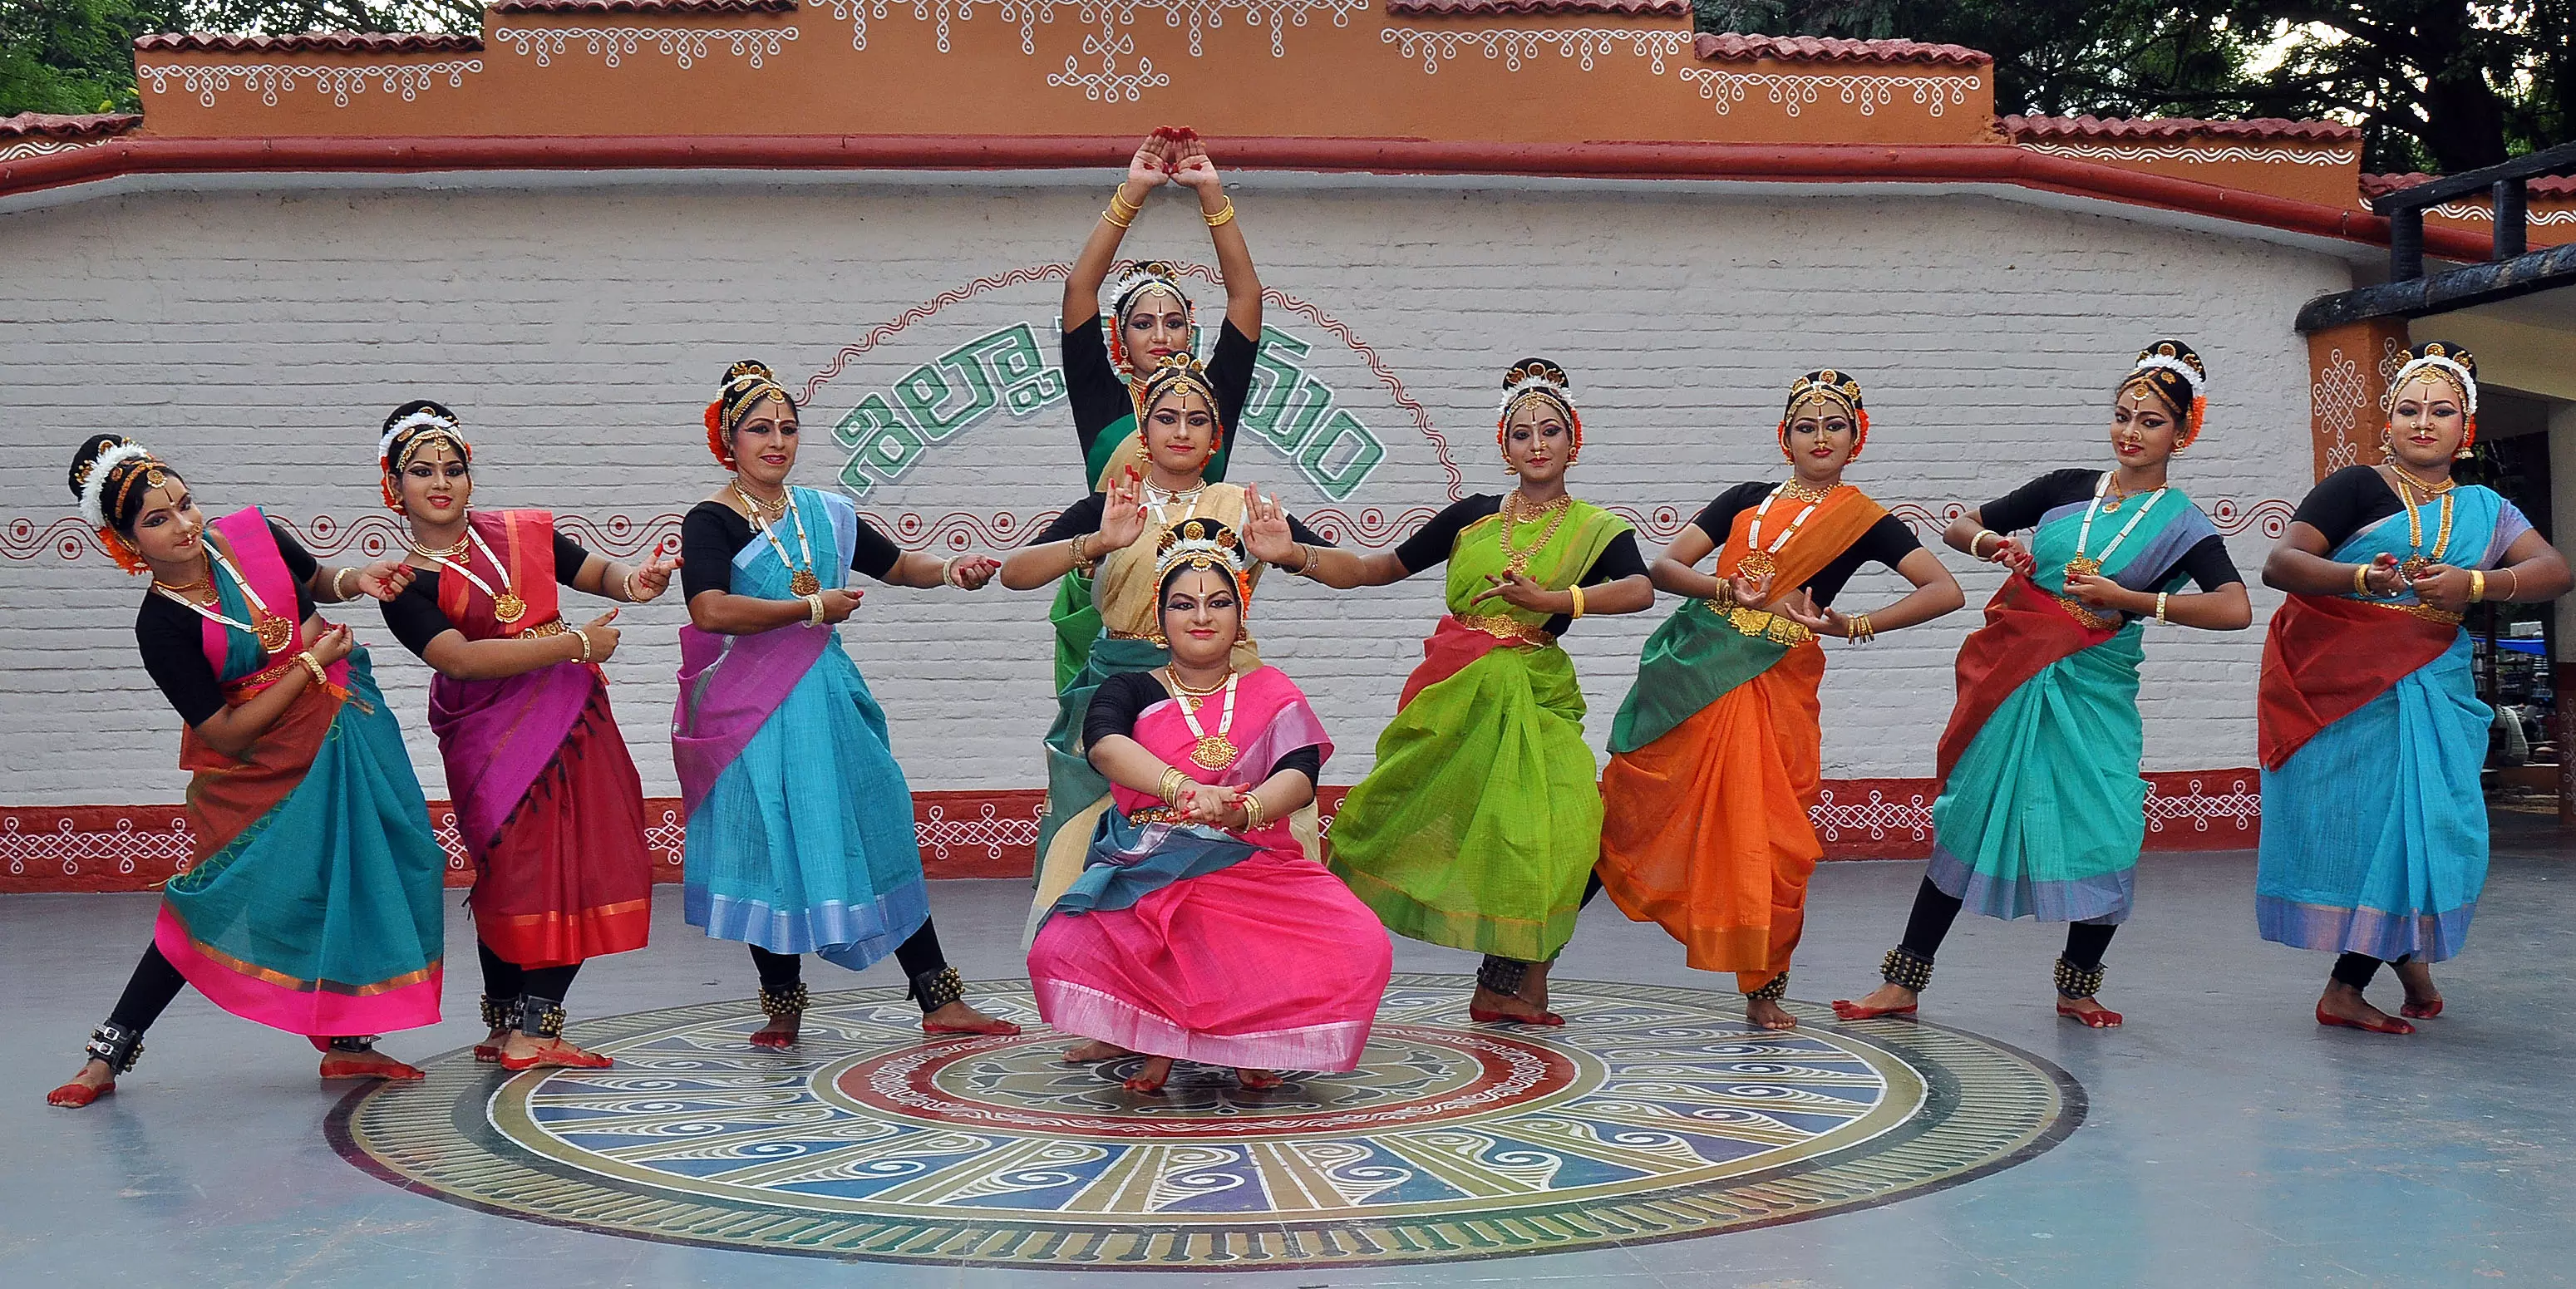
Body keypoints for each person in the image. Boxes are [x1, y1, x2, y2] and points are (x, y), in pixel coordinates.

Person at [1829, 342, 2250, 1030]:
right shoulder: (2065, 488)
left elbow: (2233, 607)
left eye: (2149, 422)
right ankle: (1902, 982)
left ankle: (2077, 987)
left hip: (2094, 688)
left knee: (2110, 826)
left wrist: (2131, 599)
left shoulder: (2181, 524)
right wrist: (1990, 547)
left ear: (2183, 432)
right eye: (2122, 415)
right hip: (2013, 674)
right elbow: (1961, 522)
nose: (2130, 432)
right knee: (1971, 813)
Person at [50, 435, 445, 1107]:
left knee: (375, 870)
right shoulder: (163, 625)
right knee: (218, 898)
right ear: (126, 543)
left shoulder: (250, 536)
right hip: (259, 767)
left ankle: (349, 1047)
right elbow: (224, 731)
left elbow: (314, 582)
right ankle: (108, 1052)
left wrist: (359, 582)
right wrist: (308, 666)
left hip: (349, 728)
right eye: (157, 519)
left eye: (184, 502)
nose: (184, 524)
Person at [1273, 359, 1653, 1024]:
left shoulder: (1595, 527)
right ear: (1503, 446)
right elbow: (1372, 568)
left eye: (1550, 431)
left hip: (1536, 696)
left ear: (1574, 440)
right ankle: (1305, 953)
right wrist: (1293, 551)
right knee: (1391, 825)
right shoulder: (1471, 517)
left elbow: (1639, 588)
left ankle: (1507, 978)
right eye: (1522, 433)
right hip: (1456, 693)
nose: (1537, 444)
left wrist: (1554, 598)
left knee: (1570, 835)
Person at [1600, 370, 1963, 1031]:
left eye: (1834, 425)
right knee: (1632, 806)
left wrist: (1855, 624)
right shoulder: (1743, 499)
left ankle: (1764, 987)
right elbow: (1664, 568)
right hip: (1699, 672)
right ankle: (1526, 967)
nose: (1819, 436)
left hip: (1777, 682)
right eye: (1805, 425)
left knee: (1767, 838)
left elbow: (1944, 589)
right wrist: (1722, 590)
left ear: (1856, 437)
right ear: (1784, 437)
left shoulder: (1865, 521)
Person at [677, 362, 1019, 1045]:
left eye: (787, 428)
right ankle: (781, 1000)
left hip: (829, 701)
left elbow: (898, 566)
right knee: (769, 841)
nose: (776, 441)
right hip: (751, 714)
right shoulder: (710, 520)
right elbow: (709, 609)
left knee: (877, 823)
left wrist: (951, 571)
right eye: (759, 429)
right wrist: (809, 605)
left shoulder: (825, 513)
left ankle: (938, 997)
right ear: (727, 441)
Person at [2253, 342, 2569, 1034]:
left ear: (2466, 428)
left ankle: (2406, 955)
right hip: (2348, 684)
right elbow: (2282, 563)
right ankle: (2345, 988)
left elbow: (2552, 570)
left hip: (2434, 678)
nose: (2422, 422)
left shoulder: (2487, 506)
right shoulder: (2356, 487)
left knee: (2430, 822)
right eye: (2407, 409)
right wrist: (2362, 577)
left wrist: (2475, 584)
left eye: (2441, 410)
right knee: (2384, 829)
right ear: (2386, 421)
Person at [1029, 518, 1391, 1093]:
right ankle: (1159, 1036)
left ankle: (1247, 1038)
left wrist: (1242, 810)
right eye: (1183, 603)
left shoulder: (1271, 689)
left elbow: (1299, 774)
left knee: (1361, 943)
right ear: (1162, 615)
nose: (1201, 615)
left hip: (1251, 857)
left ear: (1240, 614)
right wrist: (1182, 789)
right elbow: (1104, 744)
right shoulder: (1130, 688)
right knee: (1059, 948)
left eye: (1218, 601)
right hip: (1149, 863)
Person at [377, 401, 673, 1070]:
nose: (441, 481)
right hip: (487, 736)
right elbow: (459, 659)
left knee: (581, 857)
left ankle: (524, 1024)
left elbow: (596, 573)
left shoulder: (521, 534)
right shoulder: (403, 584)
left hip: (572, 723)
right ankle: (516, 1024)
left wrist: (638, 580)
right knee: (516, 869)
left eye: (453, 467)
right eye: (422, 471)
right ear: (395, 487)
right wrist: (576, 642)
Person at [1001, 352, 1334, 942]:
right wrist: (1095, 542)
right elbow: (1016, 572)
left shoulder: (1241, 506)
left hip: (1226, 690)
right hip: (1125, 692)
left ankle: (1253, 975)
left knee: (1246, 831)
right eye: (1167, 417)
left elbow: (1358, 568)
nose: (1181, 431)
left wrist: (1290, 554)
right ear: (1143, 428)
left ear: (1215, 434)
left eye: (1197, 419)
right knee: (1092, 835)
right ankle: (1106, 983)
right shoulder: (1113, 502)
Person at [1048, 126, 1265, 688]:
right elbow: (1078, 290)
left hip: (1200, 585)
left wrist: (1211, 195)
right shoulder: (1101, 394)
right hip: (1109, 572)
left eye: (1174, 322)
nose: (1161, 335)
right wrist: (1132, 192)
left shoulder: (1211, 396)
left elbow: (1246, 299)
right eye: (1143, 323)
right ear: (1119, 338)